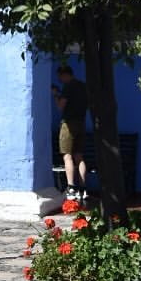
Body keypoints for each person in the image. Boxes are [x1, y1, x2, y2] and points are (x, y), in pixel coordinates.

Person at [53, 65, 89, 201]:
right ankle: (83, 188)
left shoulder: (68, 86)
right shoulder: (83, 86)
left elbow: (60, 106)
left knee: (67, 156)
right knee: (79, 156)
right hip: (81, 122)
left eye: (60, 76)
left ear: (64, 75)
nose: (59, 79)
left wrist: (56, 95)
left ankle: (71, 187)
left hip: (68, 123)